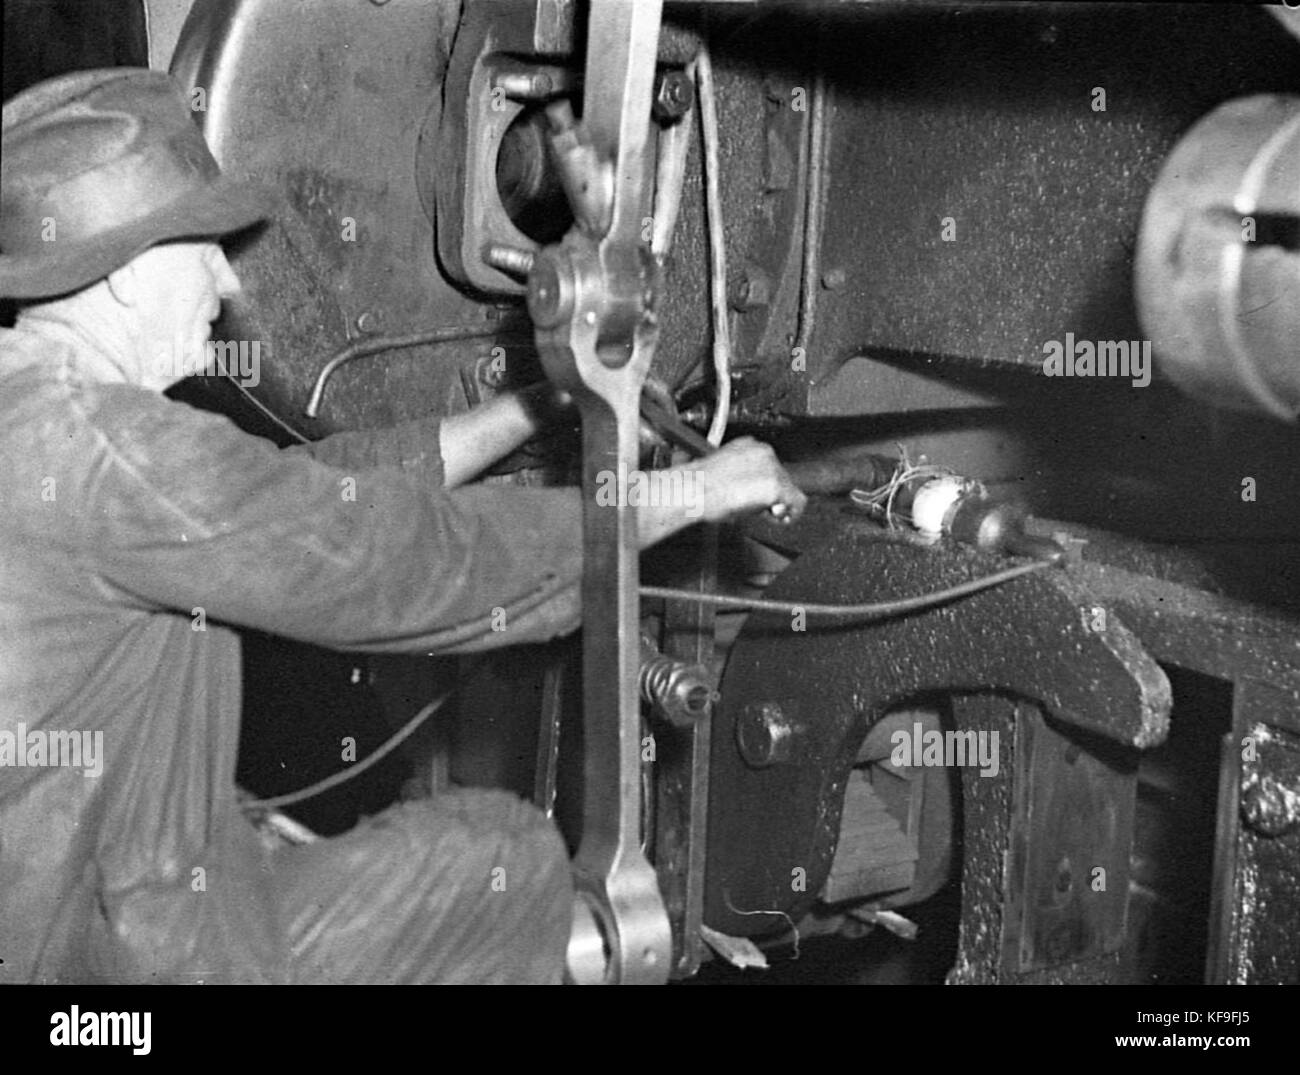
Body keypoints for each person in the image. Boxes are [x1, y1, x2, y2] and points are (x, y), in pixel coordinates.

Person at [0, 68, 806, 984]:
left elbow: (280, 499)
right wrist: (690, 495)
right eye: (206, 246)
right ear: (125, 272)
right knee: (507, 864)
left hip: (68, 900)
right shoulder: (107, 447)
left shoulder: (36, 408)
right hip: (92, 967)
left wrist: (522, 416)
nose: (227, 280)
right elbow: (390, 561)